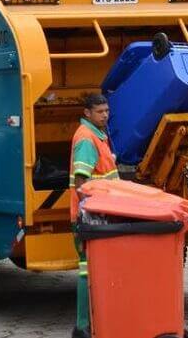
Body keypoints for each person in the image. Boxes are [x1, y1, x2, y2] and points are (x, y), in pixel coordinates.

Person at [69, 93, 119, 338]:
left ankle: (91, 324)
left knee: (92, 270)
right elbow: (81, 181)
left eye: (107, 111)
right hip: (92, 216)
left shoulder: (97, 136)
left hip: (101, 213)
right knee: (86, 270)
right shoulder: (87, 139)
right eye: (100, 112)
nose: (105, 115)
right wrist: (90, 215)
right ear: (87, 113)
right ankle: (82, 326)